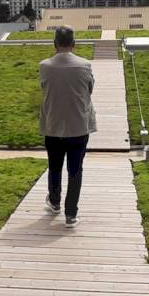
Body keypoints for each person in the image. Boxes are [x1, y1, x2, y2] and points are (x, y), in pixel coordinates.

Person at [38, 26, 96, 227]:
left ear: (54, 44)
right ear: (74, 44)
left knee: (54, 166)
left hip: (53, 125)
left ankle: (54, 202)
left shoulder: (44, 65)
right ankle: (71, 214)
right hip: (78, 126)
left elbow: (44, 87)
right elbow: (89, 89)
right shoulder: (85, 65)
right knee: (75, 170)